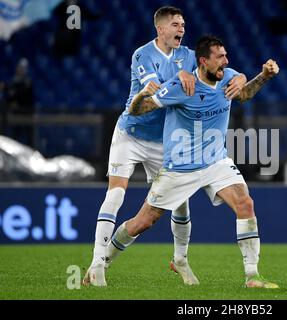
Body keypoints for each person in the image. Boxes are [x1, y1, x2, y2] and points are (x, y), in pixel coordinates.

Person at [83, 7, 246, 287]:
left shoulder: (187, 55)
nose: (181, 29)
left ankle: (180, 260)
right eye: (175, 24)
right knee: (116, 195)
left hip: (163, 140)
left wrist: (240, 77)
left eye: (183, 24)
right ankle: (98, 263)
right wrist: (181, 77)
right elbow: (155, 92)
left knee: (180, 203)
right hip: (131, 134)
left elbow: (219, 71)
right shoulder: (142, 55)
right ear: (160, 29)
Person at [105, 35, 280, 288]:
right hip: (180, 168)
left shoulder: (228, 77)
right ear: (203, 61)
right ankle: (103, 261)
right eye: (219, 58)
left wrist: (264, 76)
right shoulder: (182, 86)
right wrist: (139, 98)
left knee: (245, 203)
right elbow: (139, 109)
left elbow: (244, 94)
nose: (226, 61)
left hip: (215, 161)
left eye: (226, 56)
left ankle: (252, 276)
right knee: (143, 222)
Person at [5, 58, 35, 146]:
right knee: (15, 137)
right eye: (20, 68)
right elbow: (10, 97)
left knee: (29, 137)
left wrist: (16, 93)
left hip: (27, 113)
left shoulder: (28, 82)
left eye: (23, 68)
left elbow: (26, 95)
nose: (21, 70)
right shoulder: (13, 82)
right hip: (16, 113)